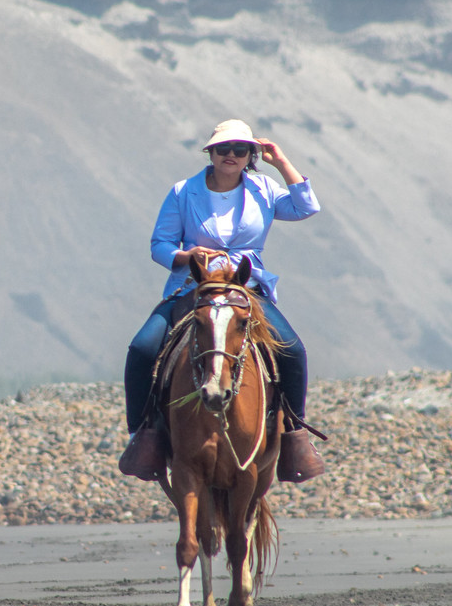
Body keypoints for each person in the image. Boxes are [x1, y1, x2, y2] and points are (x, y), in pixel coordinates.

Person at [120, 119, 325, 483]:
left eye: (240, 150)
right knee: (141, 348)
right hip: (193, 285)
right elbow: (160, 245)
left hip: (246, 287)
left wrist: (280, 160)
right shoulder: (184, 192)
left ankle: (294, 434)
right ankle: (143, 435)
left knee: (292, 349)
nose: (231, 155)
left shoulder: (264, 187)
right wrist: (187, 256)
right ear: (211, 153)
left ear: (250, 156)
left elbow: (306, 206)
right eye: (223, 149)